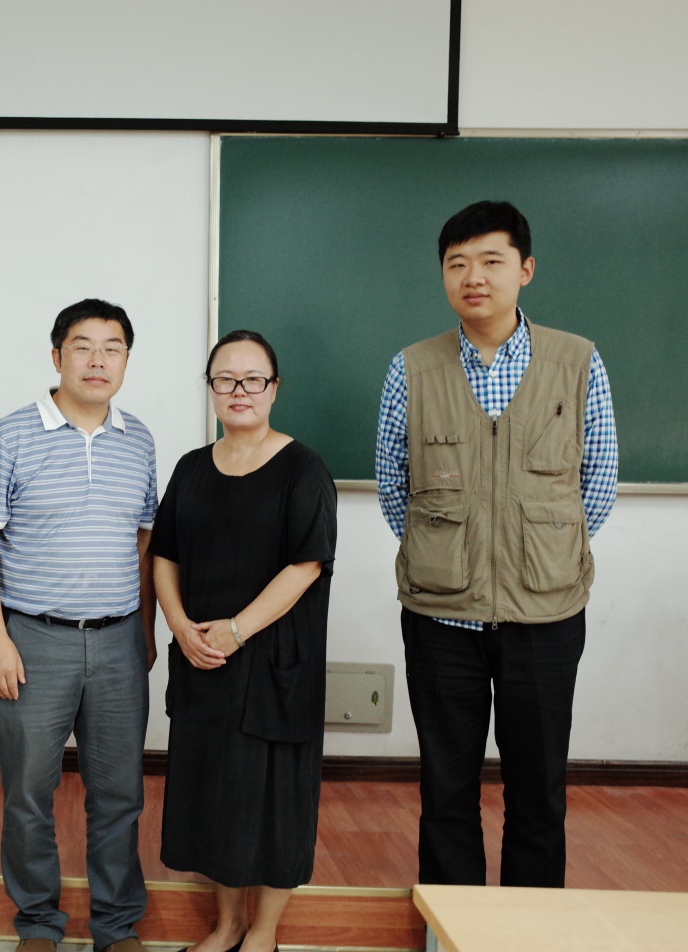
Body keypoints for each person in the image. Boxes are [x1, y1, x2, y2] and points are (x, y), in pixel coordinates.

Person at [375, 200, 618, 887]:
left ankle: (527, 930)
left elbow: (597, 482)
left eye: (490, 260)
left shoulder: (577, 361)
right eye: (457, 263)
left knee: (538, 795)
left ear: (525, 269)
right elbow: (395, 485)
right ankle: (450, 929)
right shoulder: (412, 368)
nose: (473, 277)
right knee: (445, 792)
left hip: (545, 615)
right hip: (440, 617)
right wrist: (448, 555)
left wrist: (537, 554)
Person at [0, 299, 158, 952]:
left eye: (112, 348)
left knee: (119, 793)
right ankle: (38, 924)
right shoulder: (9, 436)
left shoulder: (139, 439)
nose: (98, 360)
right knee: (27, 792)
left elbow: (144, 540)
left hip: (119, 640)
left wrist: (145, 628)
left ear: (126, 360)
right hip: (34, 639)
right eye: (83, 346)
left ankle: (117, 925)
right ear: (56, 356)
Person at [151, 330, 337, 952]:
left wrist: (236, 630)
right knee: (215, 797)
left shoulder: (303, 468)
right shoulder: (191, 467)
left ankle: (262, 933)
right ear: (210, 388)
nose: (239, 390)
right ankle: (227, 925)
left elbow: (306, 565)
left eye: (253, 379)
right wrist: (179, 624)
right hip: (204, 656)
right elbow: (164, 554)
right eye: (225, 379)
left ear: (274, 388)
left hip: (276, 661)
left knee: (276, 801)